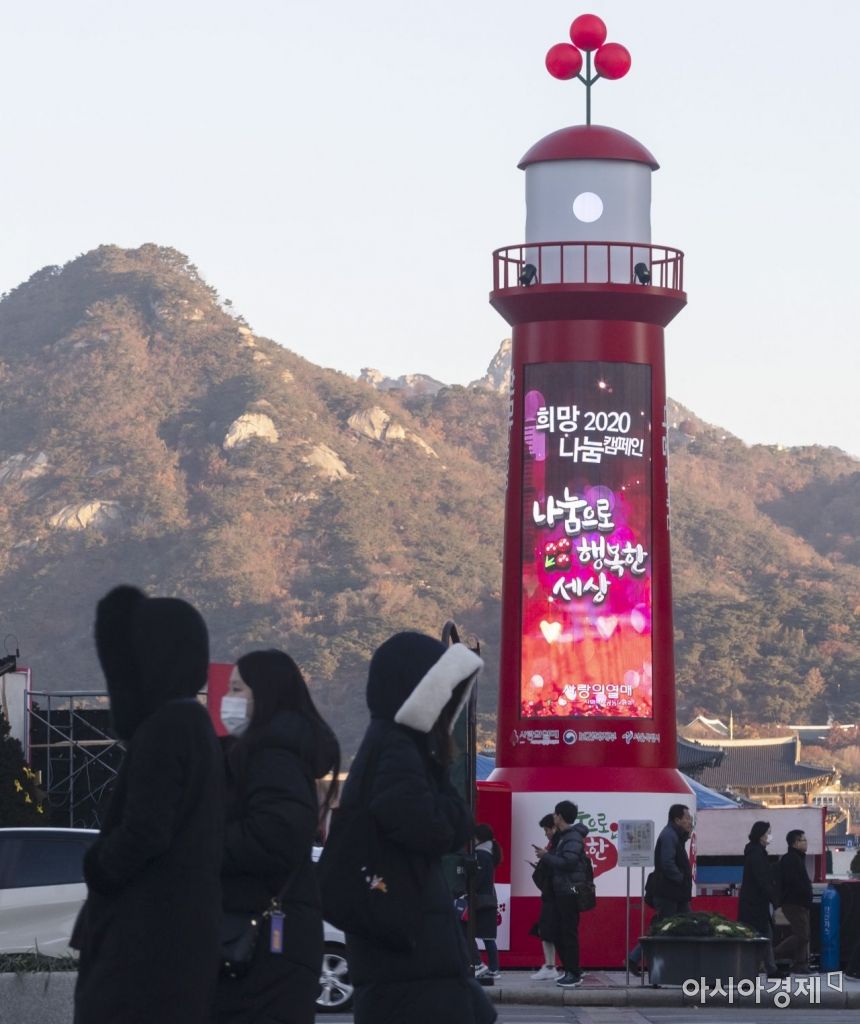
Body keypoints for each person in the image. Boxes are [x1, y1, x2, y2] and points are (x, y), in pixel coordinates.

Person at [73, 586, 224, 1024]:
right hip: (180, 940)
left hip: (142, 943)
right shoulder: (195, 723)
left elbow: (145, 830)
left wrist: (100, 865)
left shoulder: (165, 728)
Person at [337, 631, 495, 1024]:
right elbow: (432, 827)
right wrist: (448, 794)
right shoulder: (397, 747)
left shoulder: (388, 744)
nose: (446, 703)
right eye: (441, 690)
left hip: (406, 948)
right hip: (410, 951)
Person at [212, 649, 340, 1024]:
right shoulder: (273, 752)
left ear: (265, 694)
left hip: (267, 943)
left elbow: (276, 835)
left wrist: (203, 844)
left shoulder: (273, 756)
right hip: (273, 935)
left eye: (237, 689)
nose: (228, 699)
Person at [627, 803, 693, 976]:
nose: (690, 821)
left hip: (676, 893)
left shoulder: (675, 835)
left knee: (686, 925)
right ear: (677, 819)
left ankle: (683, 966)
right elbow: (667, 863)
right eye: (687, 818)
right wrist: (680, 878)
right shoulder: (669, 836)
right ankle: (638, 960)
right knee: (664, 928)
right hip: (668, 892)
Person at [533, 799, 590, 989]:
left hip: (569, 891)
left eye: (555, 814)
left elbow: (568, 862)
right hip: (562, 890)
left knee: (568, 933)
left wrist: (546, 856)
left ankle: (574, 973)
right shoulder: (566, 837)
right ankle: (570, 971)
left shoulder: (572, 837)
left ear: (560, 817)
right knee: (560, 932)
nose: (554, 817)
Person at [738, 820, 780, 976]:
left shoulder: (756, 852)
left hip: (755, 902)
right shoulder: (756, 854)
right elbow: (762, 880)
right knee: (760, 936)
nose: (770, 836)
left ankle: (769, 968)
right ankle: (753, 971)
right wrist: (774, 899)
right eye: (768, 833)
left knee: (764, 935)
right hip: (755, 903)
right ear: (761, 835)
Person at [773, 829, 813, 973]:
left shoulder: (798, 858)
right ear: (796, 843)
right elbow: (793, 882)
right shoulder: (790, 859)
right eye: (804, 840)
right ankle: (772, 954)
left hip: (801, 903)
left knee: (804, 934)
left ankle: (801, 964)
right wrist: (804, 893)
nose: (806, 843)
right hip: (794, 903)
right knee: (802, 935)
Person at [467, 823, 501, 979]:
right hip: (488, 899)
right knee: (488, 937)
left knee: (472, 934)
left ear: (478, 838)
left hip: (481, 900)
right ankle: (493, 968)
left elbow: (478, 879)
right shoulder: (489, 852)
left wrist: (468, 888)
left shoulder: (481, 854)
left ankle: (484, 966)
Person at [529, 813, 561, 979]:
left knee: (549, 930)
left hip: (556, 894)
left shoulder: (560, 844)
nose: (546, 833)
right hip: (553, 893)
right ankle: (550, 965)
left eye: (547, 829)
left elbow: (562, 865)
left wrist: (545, 857)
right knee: (546, 930)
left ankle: (553, 967)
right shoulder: (555, 844)